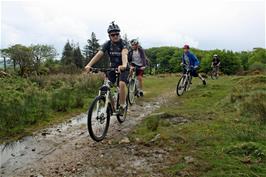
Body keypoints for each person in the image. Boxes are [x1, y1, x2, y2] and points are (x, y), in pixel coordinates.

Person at [85, 22, 129, 114]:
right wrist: (89, 65)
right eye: (113, 35)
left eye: (117, 34)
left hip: (123, 68)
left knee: (121, 84)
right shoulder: (108, 44)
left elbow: (124, 53)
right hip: (112, 67)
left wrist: (124, 65)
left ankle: (122, 105)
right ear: (109, 36)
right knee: (105, 87)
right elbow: (99, 54)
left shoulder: (123, 43)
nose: (115, 36)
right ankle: (112, 107)